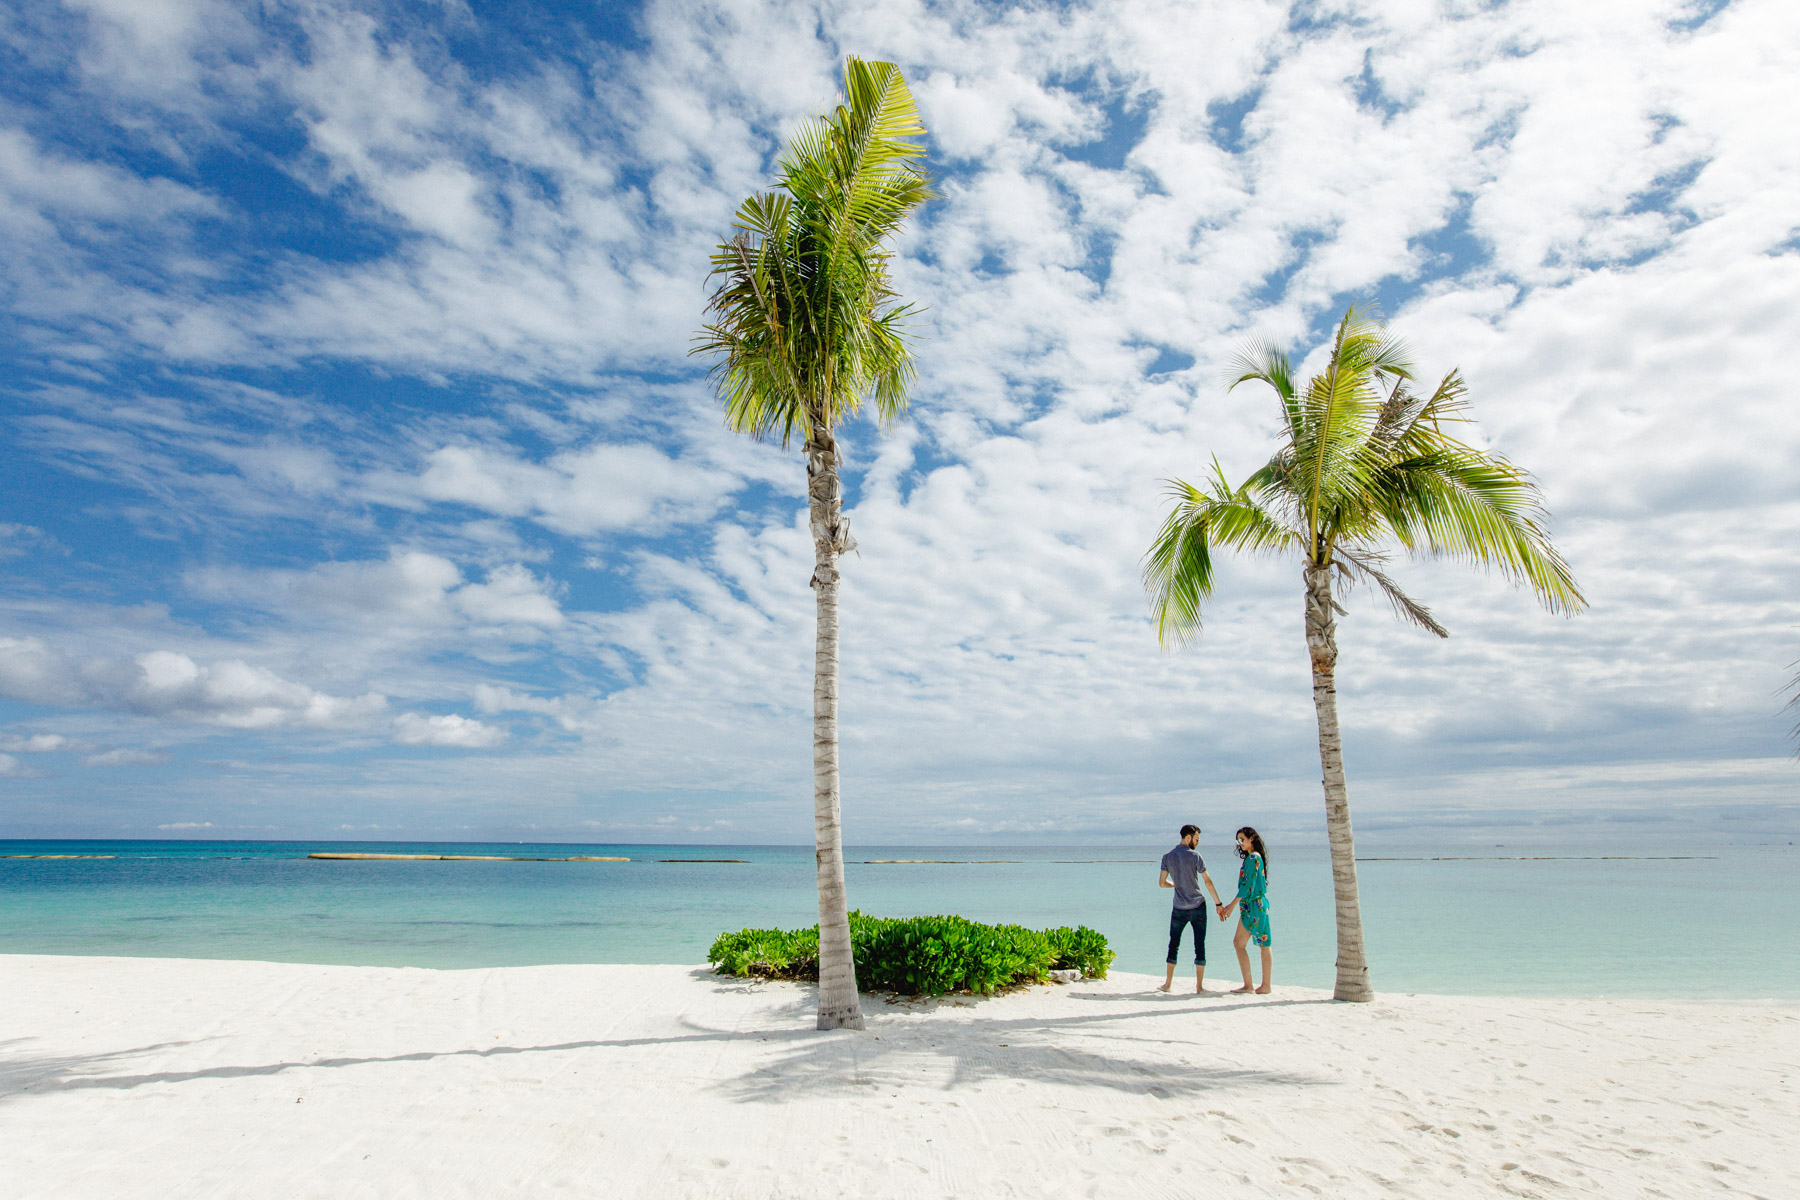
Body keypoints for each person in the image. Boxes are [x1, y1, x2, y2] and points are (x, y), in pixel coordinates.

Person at [1157, 823, 1225, 993]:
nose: (1198, 842)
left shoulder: (1167, 857)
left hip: (1179, 907)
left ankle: (1168, 984)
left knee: (1173, 944)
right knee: (1199, 945)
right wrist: (1218, 903)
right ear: (1188, 837)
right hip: (1198, 906)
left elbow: (1162, 883)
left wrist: (1177, 884)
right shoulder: (1195, 856)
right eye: (1196, 839)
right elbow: (1207, 882)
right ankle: (1199, 987)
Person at [1220, 826, 1272, 994]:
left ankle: (1263, 985)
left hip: (1254, 906)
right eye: (1238, 840)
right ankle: (1251, 985)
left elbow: (1247, 886)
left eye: (1242, 839)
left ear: (1251, 839)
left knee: (1260, 944)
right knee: (1240, 943)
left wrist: (1231, 906)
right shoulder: (1254, 857)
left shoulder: (1253, 858)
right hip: (1253, 906)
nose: (1240, 843)